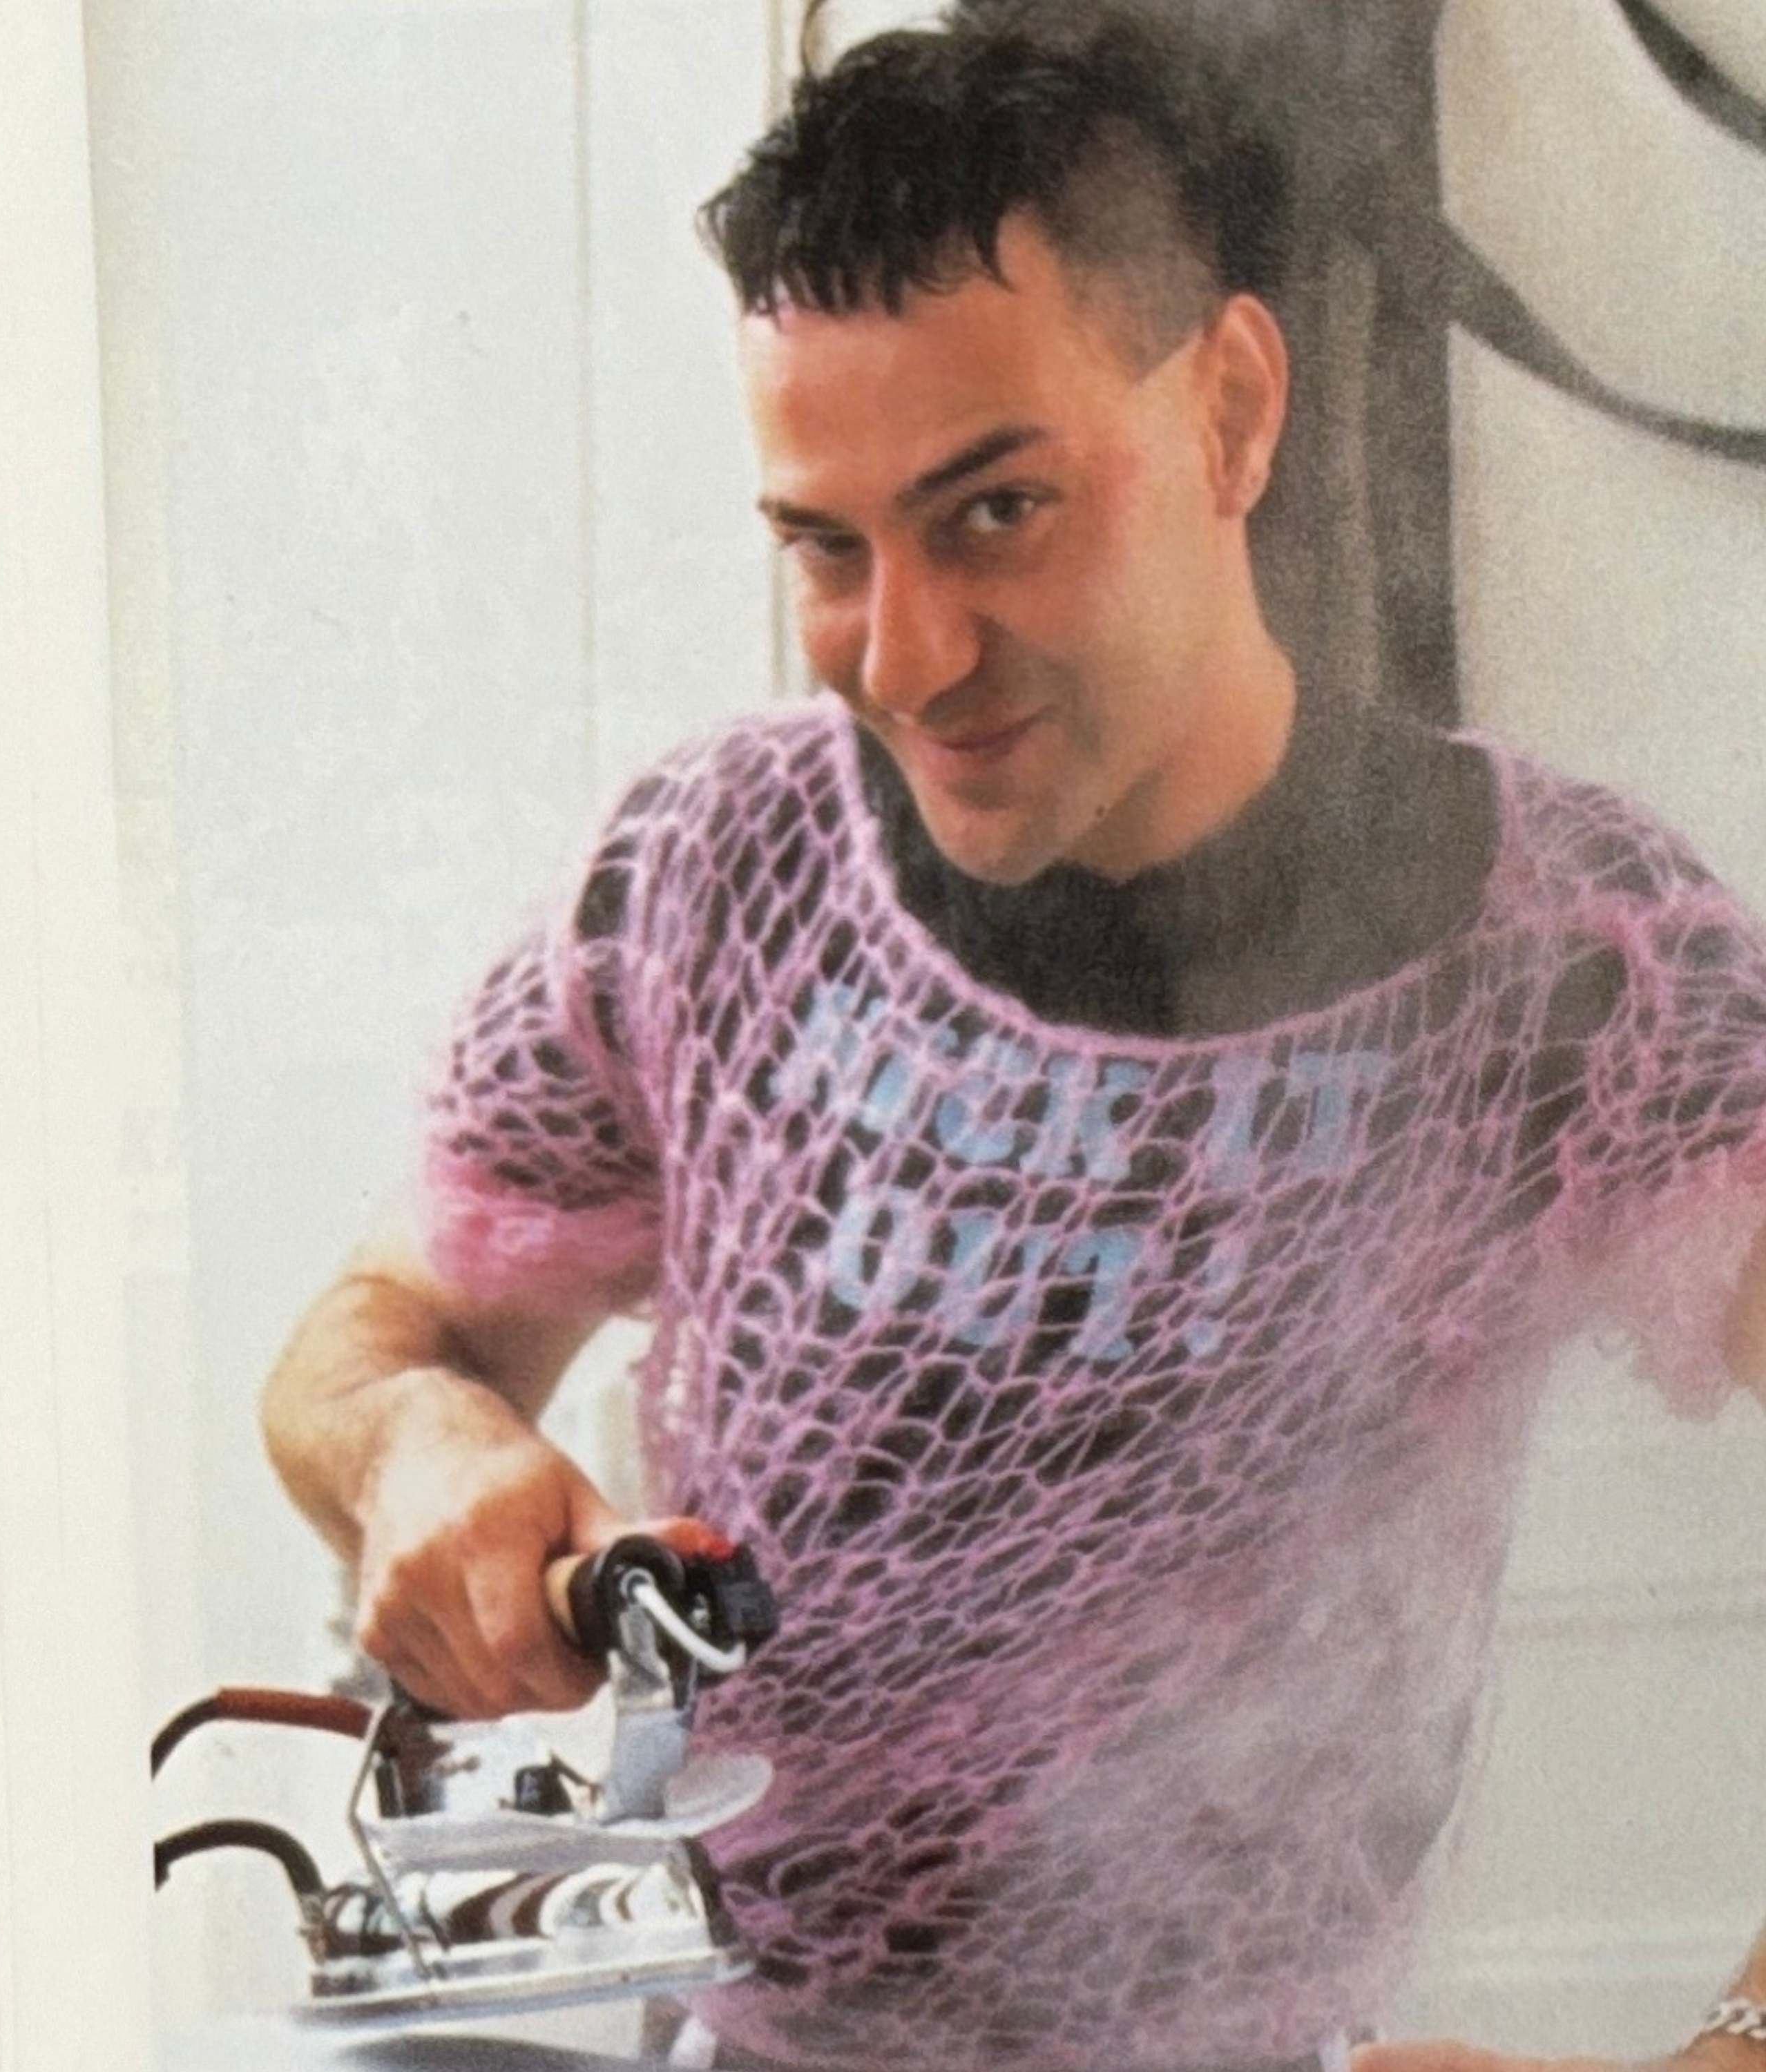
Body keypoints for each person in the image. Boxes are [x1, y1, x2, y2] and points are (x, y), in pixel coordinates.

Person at [259, 16, 1766, 2072]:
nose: (906, 657)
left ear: (1233, 411)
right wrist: (417, 1445)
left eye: (996, 513)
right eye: (825, 545)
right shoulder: (706, 870)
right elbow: (366, 1346)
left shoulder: (1572, 958)